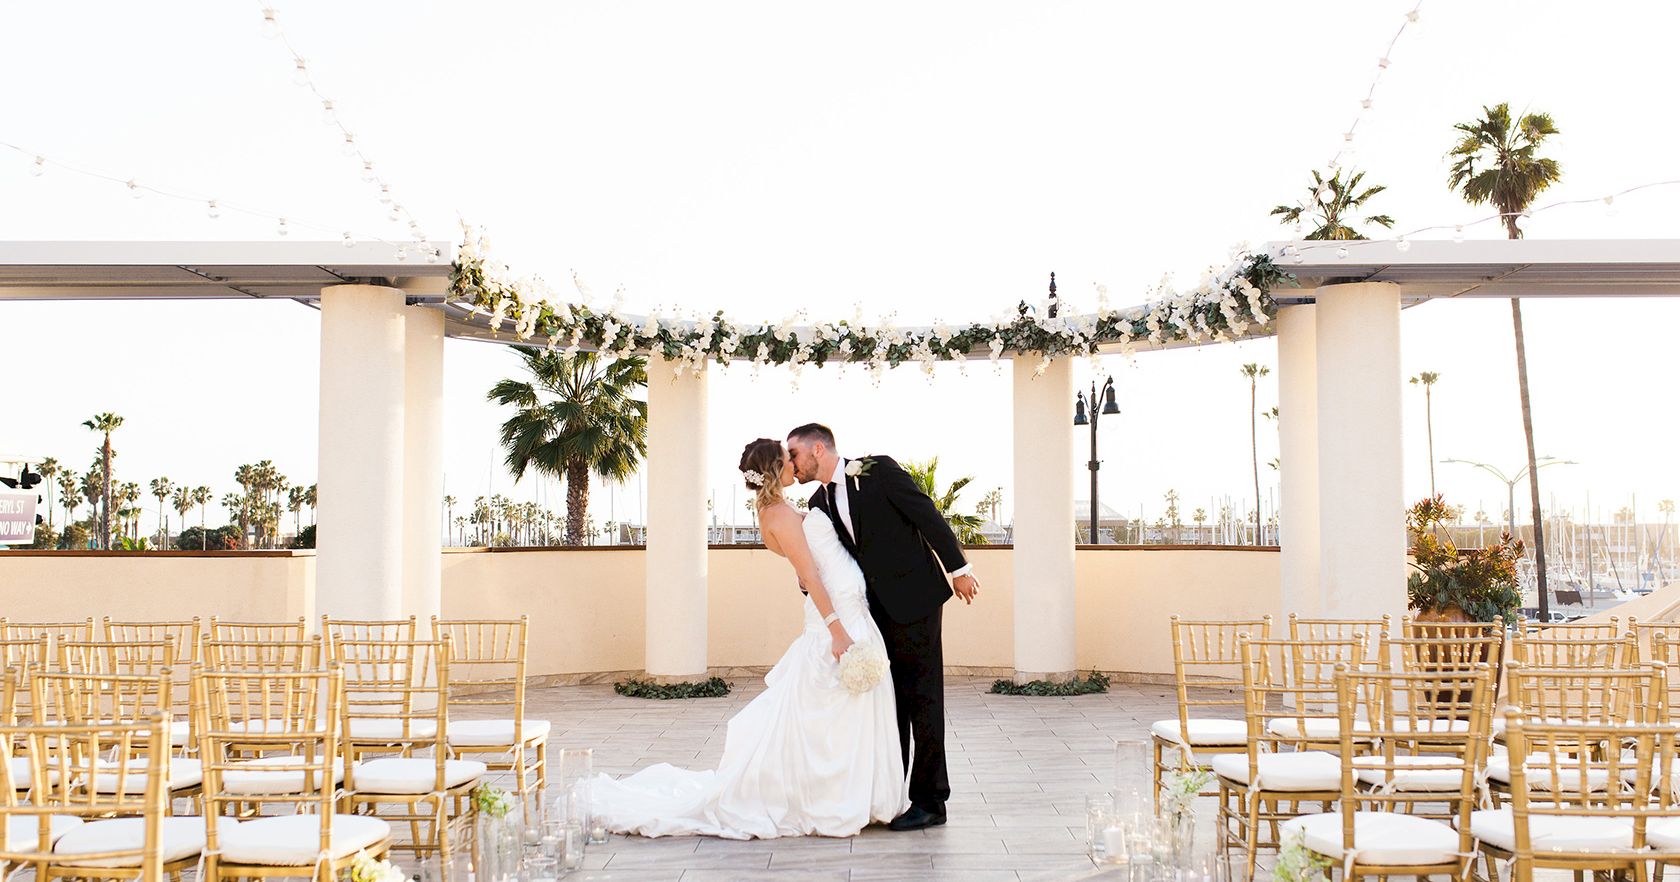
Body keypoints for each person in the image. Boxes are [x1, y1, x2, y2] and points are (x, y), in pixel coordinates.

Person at [590, 437, 907, 839]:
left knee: (850, 711)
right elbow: (810, 576)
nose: (796, 462)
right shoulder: (779, 516)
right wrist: (837, 631)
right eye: (788, 457)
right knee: (833, 712)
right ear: (777, 469)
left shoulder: (783, 511)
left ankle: (861, 795)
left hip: (852, 608)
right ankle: (831, 798)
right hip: (838, 620)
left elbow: (809, 568)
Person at [786, 422, 979, 831]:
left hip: (916, 600)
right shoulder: (819, 502)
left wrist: (959, 568)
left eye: (795, 455)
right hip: (873, 613)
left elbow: (926, 515)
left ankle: (931, 802)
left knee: (923, 701)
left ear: (818, 449)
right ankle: (893, 794)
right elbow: (834, 558)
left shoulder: (877, 469)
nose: (792, 465)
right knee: (891, 706)